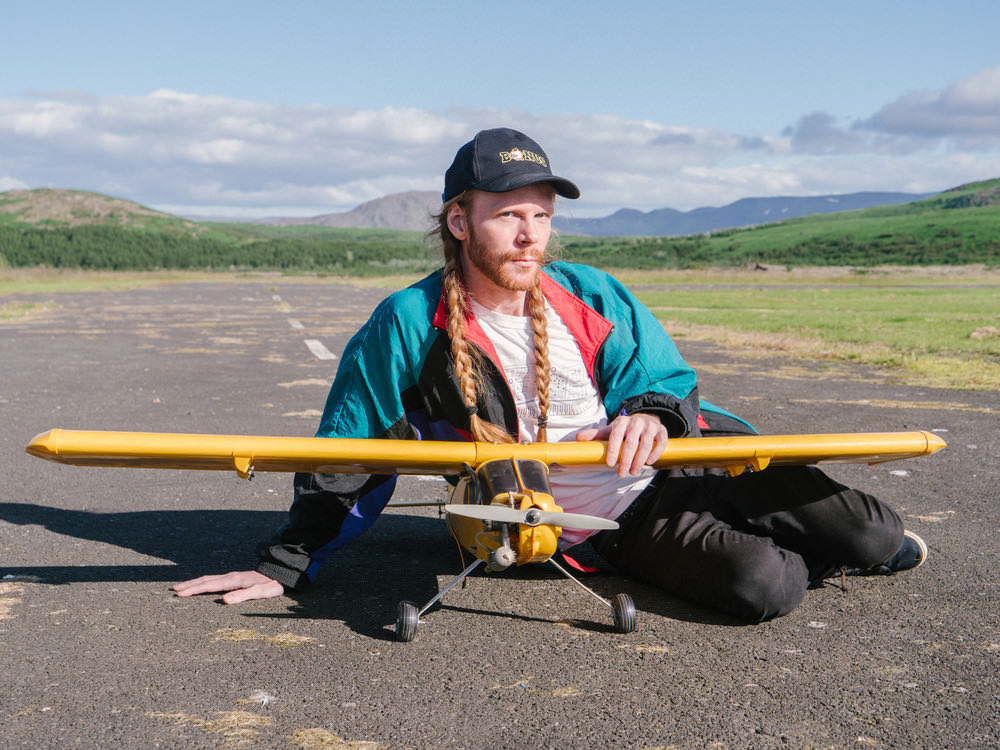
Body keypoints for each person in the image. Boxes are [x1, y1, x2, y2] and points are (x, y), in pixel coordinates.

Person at [173, 128, 926, 622]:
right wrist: (287, 564)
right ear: (460, 222)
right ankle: (771, 542)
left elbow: (661, 370)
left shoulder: (590, 291)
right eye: (508, 215)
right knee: (768, 587)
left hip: (690, 463)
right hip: (609, 521)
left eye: (540, 214)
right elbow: (350, 443)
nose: (529, 233)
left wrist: (652, 412)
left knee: (872, 537)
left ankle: (839, 533)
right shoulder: (408, 322)